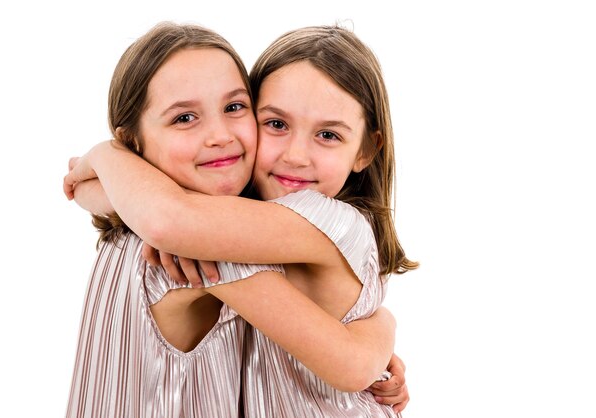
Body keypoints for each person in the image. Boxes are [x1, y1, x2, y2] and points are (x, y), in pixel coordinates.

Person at [65, 24, 416, 417]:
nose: (296, 156)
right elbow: (167, 217)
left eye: (233, 108)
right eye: (277, 124)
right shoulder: (182, 238)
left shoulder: (209, 236)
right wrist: (379, 327)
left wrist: (106, 160)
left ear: (367, 149)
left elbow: (169, 218)